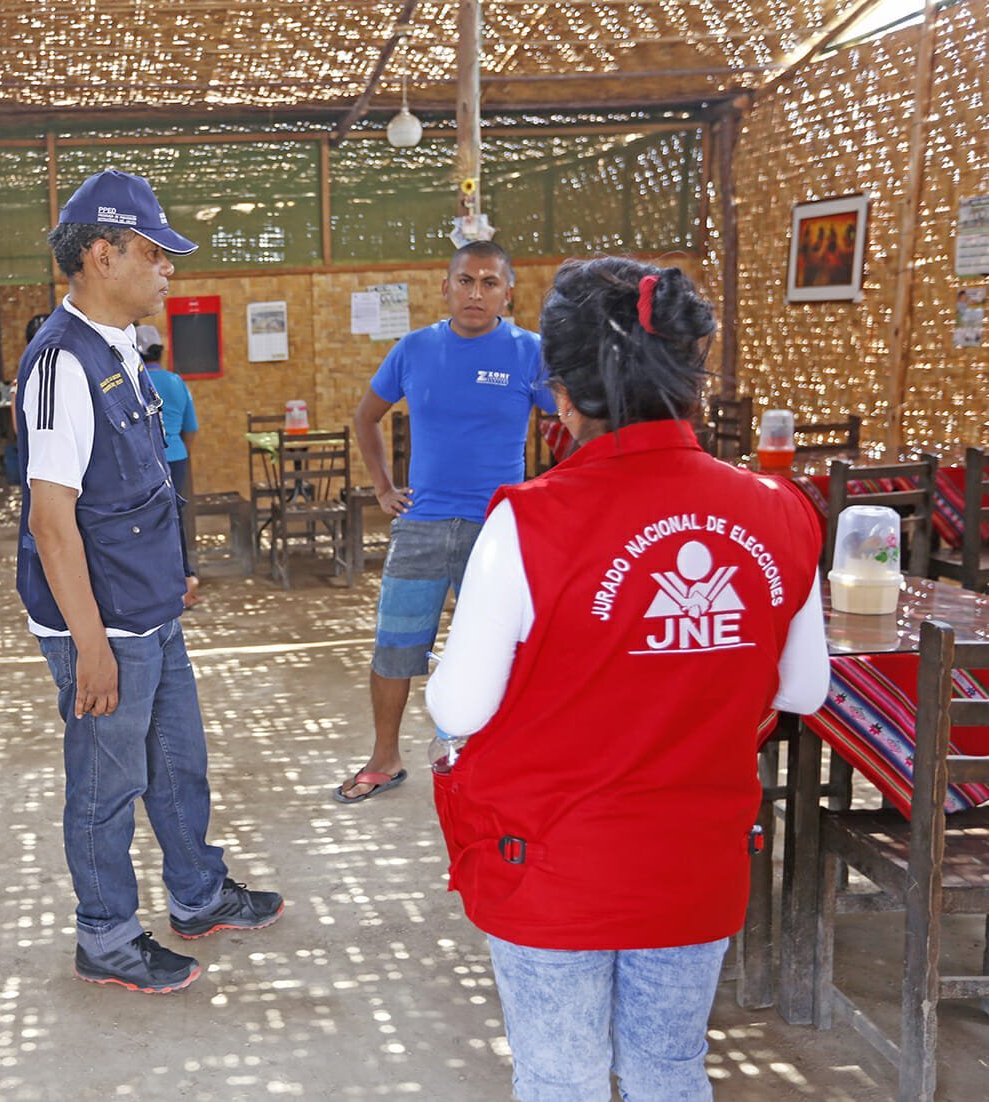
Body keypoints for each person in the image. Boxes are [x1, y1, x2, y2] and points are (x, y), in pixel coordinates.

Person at [426, 258, 829, 1100]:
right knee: (668, 1068)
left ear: (563, 397)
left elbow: (458, 705)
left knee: (561, 1078)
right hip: (694, 864)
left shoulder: (527, 520)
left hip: (552, 867)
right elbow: (803, 692)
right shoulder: (782, 509)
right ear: (692, 381)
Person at [15, 169, 282, 994]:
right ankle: (105, 934)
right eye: (154, 252)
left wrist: (170, 581)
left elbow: (135, 486)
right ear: (102, 254)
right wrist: (90, 647)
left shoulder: (118, 353)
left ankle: (198, 894)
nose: (168, 268)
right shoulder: (62, 364)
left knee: (179, 763)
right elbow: (51, 521)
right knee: (107, 784)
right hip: (102, 625)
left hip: (147, 607)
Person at [337, 241, 555, 803]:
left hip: (498, 530)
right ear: (445, 287)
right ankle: (385, 757)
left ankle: (499, 758)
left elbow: (575, 419)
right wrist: (384, 488)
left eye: (488, 282)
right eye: (465, 280)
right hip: (422, 524)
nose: (475, 292)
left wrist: (553, 496)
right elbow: (366, 418)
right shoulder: (414, 350)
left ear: (509, 291)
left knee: (505, 647)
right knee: (394, 648)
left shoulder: (530, 352)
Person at [140, 335, 201, 607]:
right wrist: (179, 450)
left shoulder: (135, 381)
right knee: (175, 517)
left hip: (145, 461)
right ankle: (185, 580)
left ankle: (155, 585)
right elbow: (192, 428)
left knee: (148, 520)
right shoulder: (176, 382)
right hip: (176, 458)